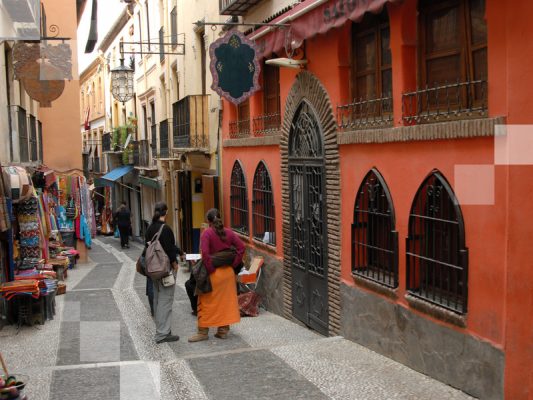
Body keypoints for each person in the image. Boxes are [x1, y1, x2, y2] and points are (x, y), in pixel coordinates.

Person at [188, 208, 245, 342]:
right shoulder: (229, 233)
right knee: (225, 302)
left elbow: (205, 254)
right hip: (228, 274)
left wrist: (210, 269)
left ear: (208, 221)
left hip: (213, 274)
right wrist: (233, 264)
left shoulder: (207, 234)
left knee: (205, 302)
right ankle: (223, 331)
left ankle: (202, 332)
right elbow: (241, 248)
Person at [145, 202, 182, 344]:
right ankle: (162, 333)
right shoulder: (165, 228)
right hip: (165, 270)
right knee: (166, 300)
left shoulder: (150, 228)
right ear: (166, 213)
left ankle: (162, 328)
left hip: (153, 270)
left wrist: (180, 252)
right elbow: (169, 248)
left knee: (158, 299)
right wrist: (175, 263)